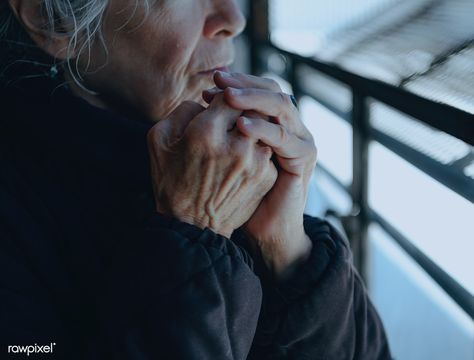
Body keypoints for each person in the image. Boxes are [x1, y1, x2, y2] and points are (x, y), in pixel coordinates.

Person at [0, 0, 391, 359]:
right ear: (52, 20)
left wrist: (289, 253)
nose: (232, 19)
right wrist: (192, 230)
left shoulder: (227, 155)